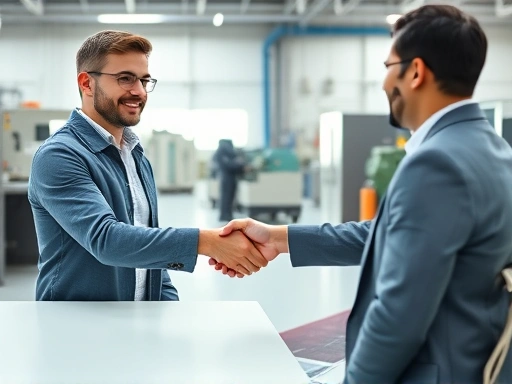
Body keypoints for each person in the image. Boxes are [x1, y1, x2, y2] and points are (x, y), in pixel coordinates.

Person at [210, 5, 512, 383]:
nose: (384, 84)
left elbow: (399, 315)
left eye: (388, 67)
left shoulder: (436, 164)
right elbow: (389, 235)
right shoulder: (494, 150)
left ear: (415, 72)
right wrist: (277, 237)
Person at [28, 30, 267, 301]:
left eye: (144, 80)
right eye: (125, 79)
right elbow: (106, 241)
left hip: (138, 319)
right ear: (87, 83)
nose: (139, 91)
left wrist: (167, 303)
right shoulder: (60, 155)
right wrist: (208, 242)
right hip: (75, 324)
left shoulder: (136, 155)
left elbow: (149, 246)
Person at [212, 139, 247, 222]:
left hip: (231, 177)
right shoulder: (222, 152)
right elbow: (229, 165)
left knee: (230, 197)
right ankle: (225, 215)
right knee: (226, 197)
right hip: (227, 178)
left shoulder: (226, 152)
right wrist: (240, 166)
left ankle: (228, 214)